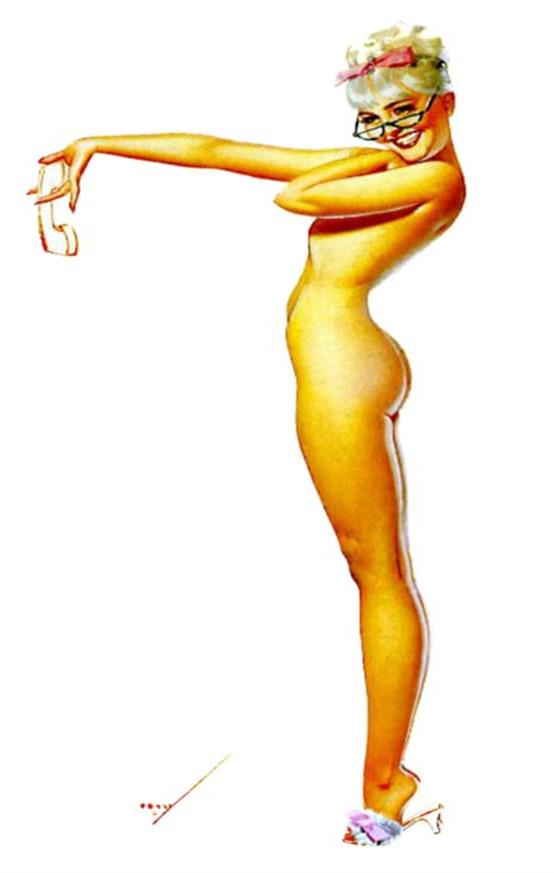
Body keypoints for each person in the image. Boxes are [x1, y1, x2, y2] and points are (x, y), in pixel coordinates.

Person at [30, 22, 465, 843]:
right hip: (345, 360)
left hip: (343, 368)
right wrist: (100, 144)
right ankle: (387, 774)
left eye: (405, 114)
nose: (390, 135)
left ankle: (385, 783)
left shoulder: (432, 179)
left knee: (376, 571)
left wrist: (358, 155)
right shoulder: (382, 162)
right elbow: (218, 151)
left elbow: (294, 196)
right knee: (374, 567)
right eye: (373, 120)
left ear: (445, 103)